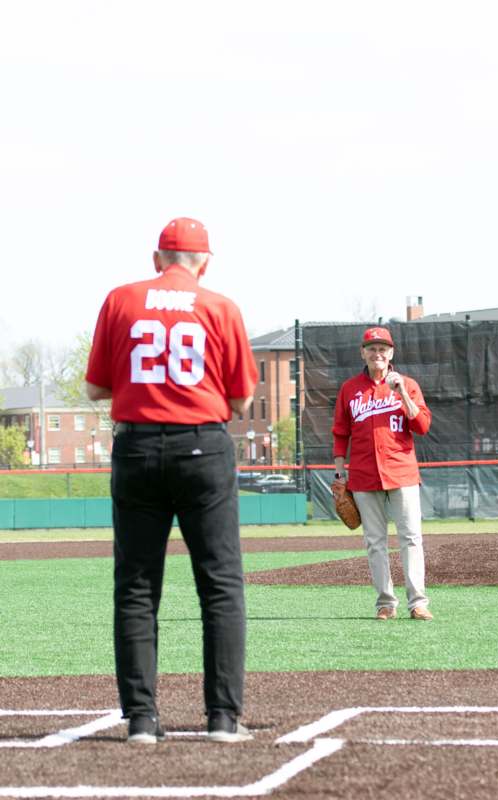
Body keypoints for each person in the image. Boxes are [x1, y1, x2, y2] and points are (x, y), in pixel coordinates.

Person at [85, 217, 258, 743]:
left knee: (136, 586)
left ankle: (141, 719)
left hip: (136, 447)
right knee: (221, 583)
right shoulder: (219, 306)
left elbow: (96, 388)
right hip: (203, 447)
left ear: (156, 258)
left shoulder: (121, 299)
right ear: (203, 263)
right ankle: (223, 720)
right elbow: (241, 401)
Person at [332, 326, 433, 621]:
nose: (378, 353)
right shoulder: (350, 389)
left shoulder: (408, 385)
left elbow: (423, 426)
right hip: (363, 476)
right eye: (372, 348)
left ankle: (418, 602)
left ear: (391, 354)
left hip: (401, 472)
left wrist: (400, 391)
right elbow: (340, 432)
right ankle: (385, 603)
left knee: (411, 538)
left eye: (383, 349)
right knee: (375, 541)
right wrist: (340, 474)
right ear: (363, 353)